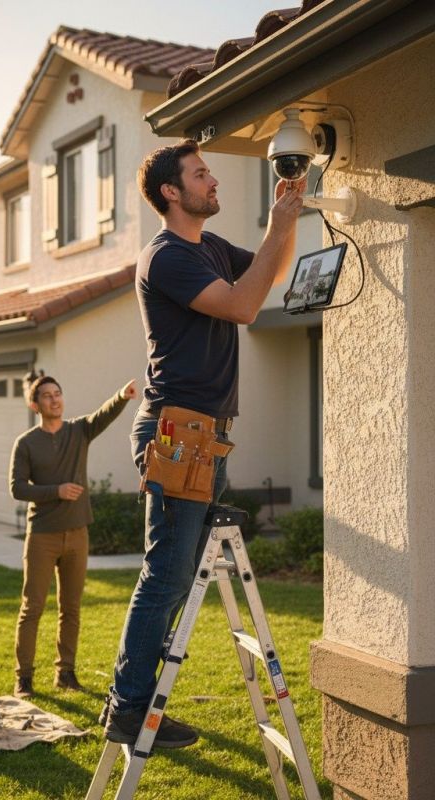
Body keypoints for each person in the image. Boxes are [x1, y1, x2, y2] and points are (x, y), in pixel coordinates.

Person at [103, 140, 305, 748]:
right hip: (177, 430)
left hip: (206, 434)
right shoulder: (165, 257)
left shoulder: (211, 247)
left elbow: (269, 273)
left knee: (180, 572)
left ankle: (141, 701)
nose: (212, 179)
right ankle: (129, 708)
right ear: (172, 191)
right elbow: (245, 306)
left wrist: (288, 219)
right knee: (164, 575)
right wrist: (276, 225)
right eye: (200, 174)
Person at [9, 373, 137, 698]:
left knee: (72, 607)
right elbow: (17, 488)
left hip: (77, 533)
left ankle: (65, 673)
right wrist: (57, 491)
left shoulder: (79, 431)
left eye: (58, 393)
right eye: (47, 395)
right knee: (32, 607)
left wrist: (121, 395)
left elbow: (102, 415)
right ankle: (23, 678)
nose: (55, 399)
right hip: (42, 536)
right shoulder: (26, 443)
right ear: (35, 403)